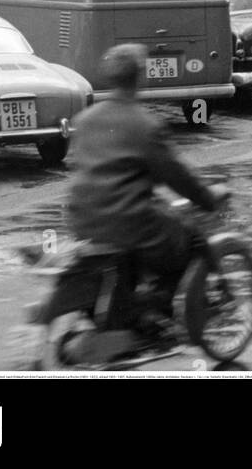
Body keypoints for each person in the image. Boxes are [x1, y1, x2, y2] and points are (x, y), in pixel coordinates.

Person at [67, 45, 227, 317]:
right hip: (129, 224)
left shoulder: (83, 120)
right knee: (192, 239)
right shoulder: (145, 124)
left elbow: (82, 166)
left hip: (82, 222)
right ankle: (165, 307)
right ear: (141, 76)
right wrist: (209, 200)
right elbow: (177, 176)